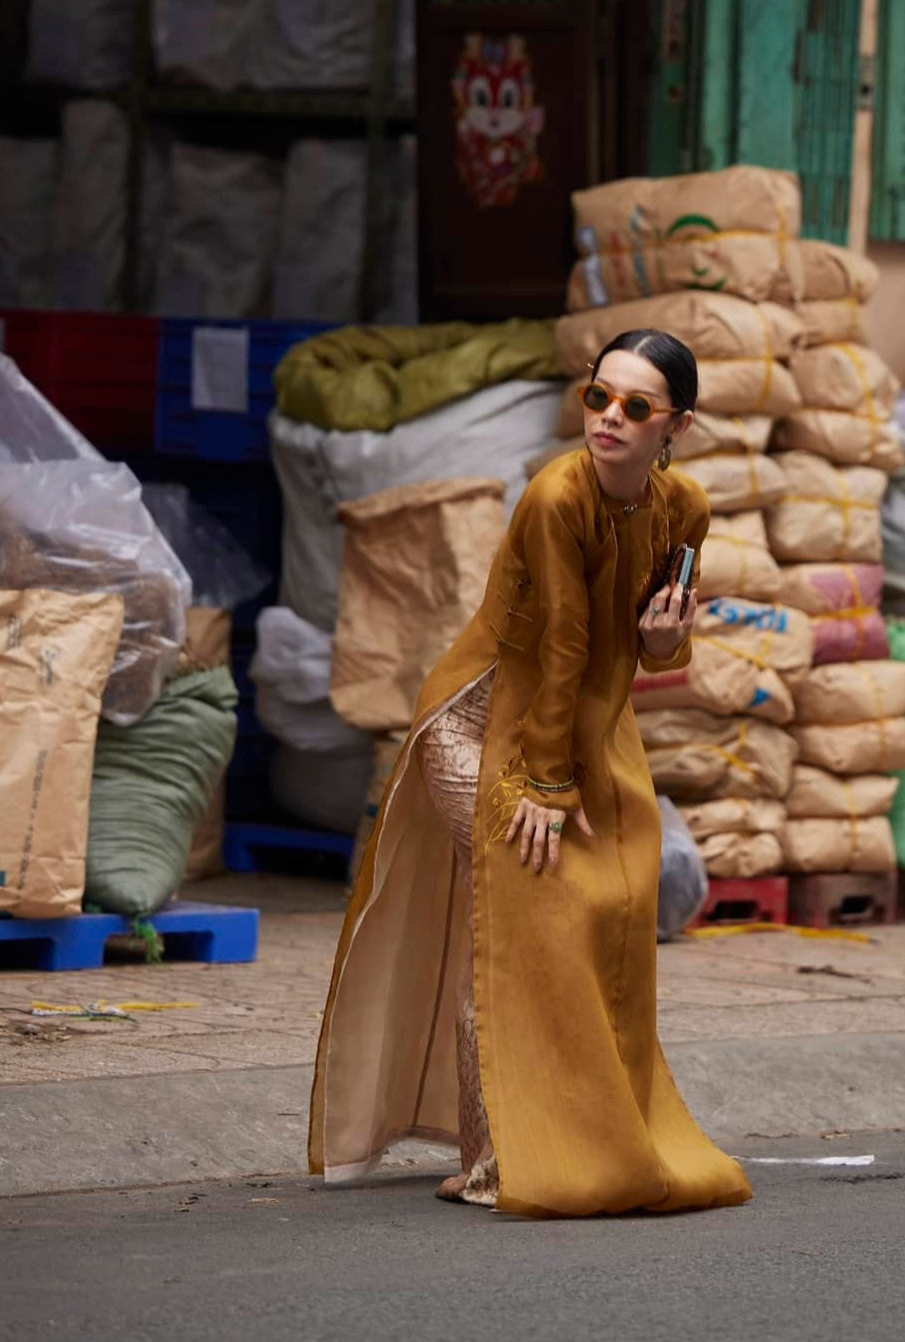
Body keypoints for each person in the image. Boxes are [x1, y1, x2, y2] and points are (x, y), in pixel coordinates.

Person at [309, 329, 753, 1219]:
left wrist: (668, 642)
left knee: (609, 913)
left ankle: (580, 1131)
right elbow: (560, 642)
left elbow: (647, 644)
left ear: (679, 425)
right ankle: (494, 1159)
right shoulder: (556, 497)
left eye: (636, 407)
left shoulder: (685, 511)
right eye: (599, 398)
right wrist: (545, 787)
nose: (609, 420)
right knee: (520, 908)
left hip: (585, 725)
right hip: (478, 719)